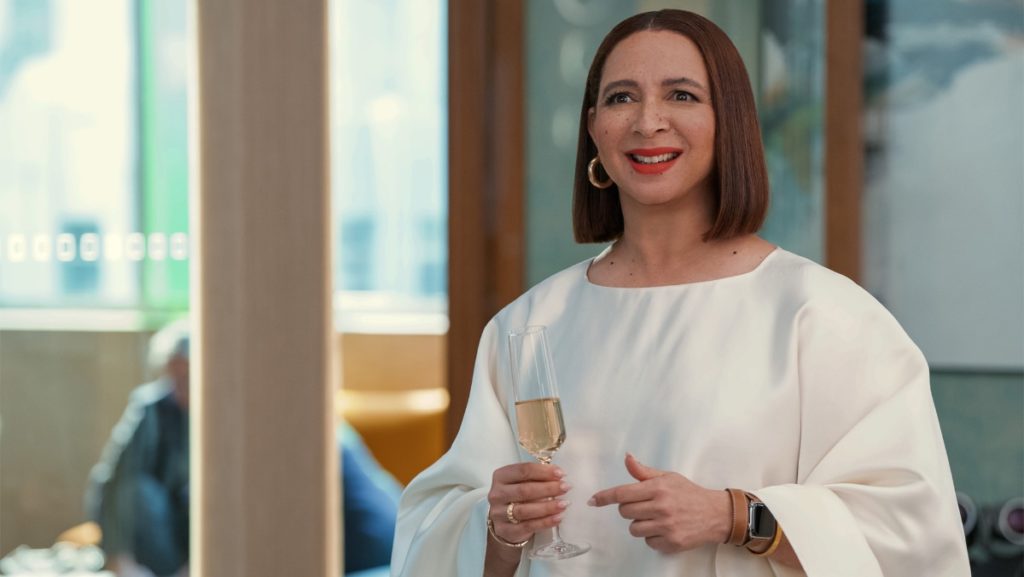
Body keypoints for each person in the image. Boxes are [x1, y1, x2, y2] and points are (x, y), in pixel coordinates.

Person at [391, 9, 969, 577]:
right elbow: (434, 541)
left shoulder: (824, 318)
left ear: (729, 122)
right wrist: (499, 526)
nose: (648, 122)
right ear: (593, 128)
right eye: (621, 98)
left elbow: (913, 534)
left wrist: (733, 515)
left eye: (682, 95)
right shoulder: (528, 323)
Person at [87, 320, 401, 577]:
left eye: (188, 373)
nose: (179, 384)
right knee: (138, 492)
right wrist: (119, 559)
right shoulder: (153, 409)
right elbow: (111, 484)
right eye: (173, 373)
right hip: (178, 532)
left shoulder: (262, 419)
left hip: (364, 554)